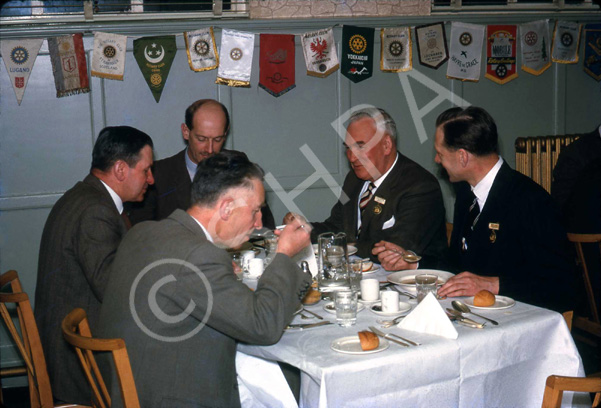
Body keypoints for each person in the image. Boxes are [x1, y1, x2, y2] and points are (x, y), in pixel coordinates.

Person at [96, 151, 312, 408]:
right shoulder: (199, 256)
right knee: (292, 380)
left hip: (124, 388)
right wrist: (285, 255)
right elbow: (263, 325)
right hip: (169, 398)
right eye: (255, 211)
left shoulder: (144, 231)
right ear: (226, 208)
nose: (259, 223)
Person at [379, 106, 574, 311]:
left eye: (440, 153)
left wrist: (492, 285)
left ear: (463, 157)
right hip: (473, 312)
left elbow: (562, 286)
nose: (437, 160)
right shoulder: (466, 193)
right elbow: (457, 267)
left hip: (520, 320)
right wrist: (413, 263)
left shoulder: (530, 201)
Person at [34, 126, 154, 404]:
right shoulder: (96, 212)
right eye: (146, 170)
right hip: (80, 359)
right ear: (121, 170)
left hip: (68, 341)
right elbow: (113, 291)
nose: (151, 178)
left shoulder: (83, 196)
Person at [286, 107, 448, 268]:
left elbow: (394, 251)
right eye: (348, 148)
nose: (351, 157)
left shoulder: (420, 186)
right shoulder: (354, 180)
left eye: (360, 146)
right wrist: (303, 228)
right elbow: (336, 226)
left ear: (386, 145)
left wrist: (347, 245)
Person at [127, 98, 275, 229]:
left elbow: (265, 224)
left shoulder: (237, 163)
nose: (210, 149)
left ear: (226, 133)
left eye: (217, 140)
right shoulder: (158, 174)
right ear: (186, 132)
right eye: (202, 139)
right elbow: (141, 232)